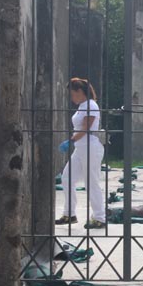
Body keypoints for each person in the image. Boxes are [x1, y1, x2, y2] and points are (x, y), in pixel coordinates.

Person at [56, 78, 106, 229]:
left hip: (90, 147)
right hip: (81, 148)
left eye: (72, 94)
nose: (71, 98)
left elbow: (85, 128)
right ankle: (69, 214)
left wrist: (71, 140)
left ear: (80, 91)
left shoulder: (91, 105)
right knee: (67, 178)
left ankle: (99, 218)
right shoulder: (82, 106)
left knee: (91, 182)